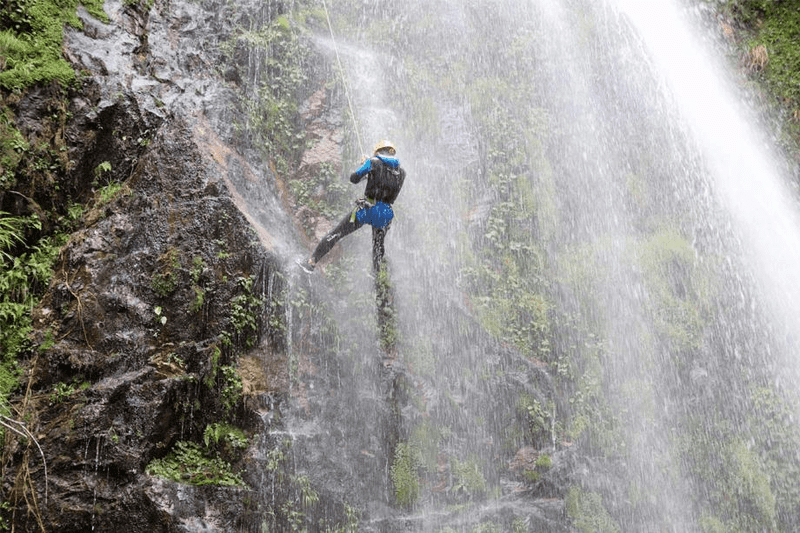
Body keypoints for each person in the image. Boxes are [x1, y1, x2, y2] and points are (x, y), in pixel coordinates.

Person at [298, 139, 406, 274]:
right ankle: (379, 277)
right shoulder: (401, 172)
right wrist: (370, 172)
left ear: (378, 152)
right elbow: (385, 185)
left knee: (337, 232)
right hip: (385, 214)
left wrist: (366, 165)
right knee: (378, 248)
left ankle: (311, 263)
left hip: (367, 210)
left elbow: (354, 178)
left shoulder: (372, 162)